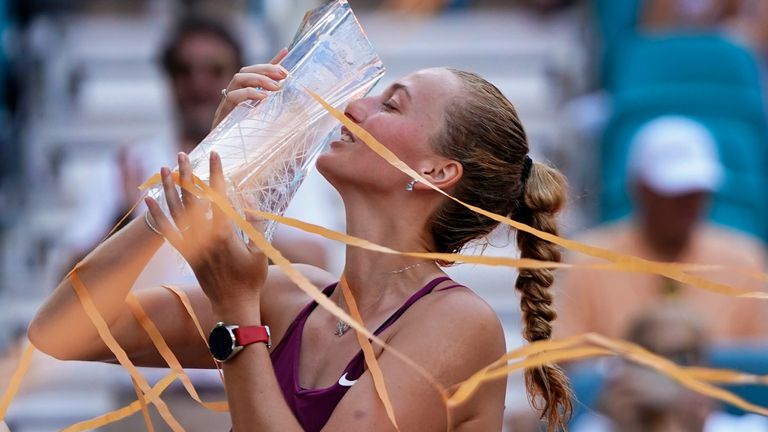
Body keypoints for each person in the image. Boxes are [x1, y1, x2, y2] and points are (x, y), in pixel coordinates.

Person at [27, 59, 572, 430]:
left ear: (435, 170)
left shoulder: (459, 323)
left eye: (393, 104)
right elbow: (61, 331)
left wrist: (237, 312)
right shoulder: (293, 300)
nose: (355, 105)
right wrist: (206, 173)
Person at [555, 116, 768, 342]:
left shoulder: (746, 262)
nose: (687, 203)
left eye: (695, 192)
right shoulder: (585, 262)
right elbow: (565, 361)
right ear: (641, 189)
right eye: (672, 192)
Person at [572, 302, 768, 432]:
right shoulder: (593, 427)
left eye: (682, 358)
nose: (665, 370)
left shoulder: (751, 428)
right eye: (649, 358)